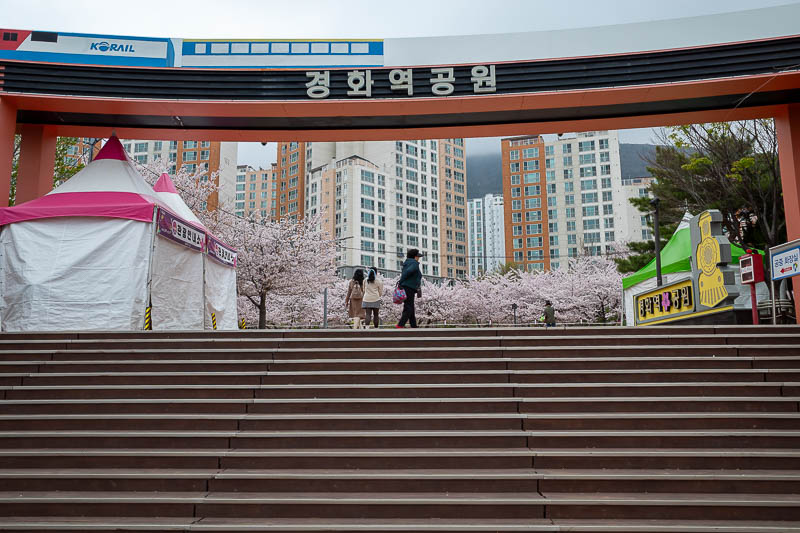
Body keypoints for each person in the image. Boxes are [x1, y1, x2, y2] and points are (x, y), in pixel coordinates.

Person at [396, 249, 423, 329]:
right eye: (418, 256)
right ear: (415, 256)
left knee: (410, 306)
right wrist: (401, 282)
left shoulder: (407, 263)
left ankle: (413, 325)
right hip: (409, 288)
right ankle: (400, 325)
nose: (419, 258)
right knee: (409, 307)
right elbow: (408, 272)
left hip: (407, 287)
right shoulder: (414, 263)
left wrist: (401, 282)